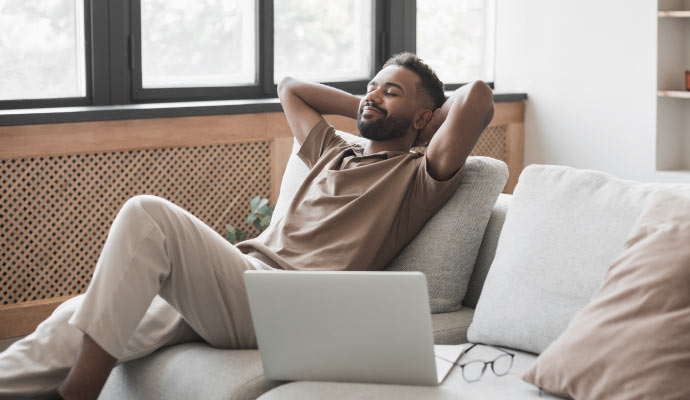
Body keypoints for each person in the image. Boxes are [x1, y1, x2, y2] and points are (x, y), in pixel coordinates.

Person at [0, 52, 494, 400]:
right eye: (371, 86)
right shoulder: (332, 152)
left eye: (392, 91)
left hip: (284, 303)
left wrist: (418, 124)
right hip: (238, 278)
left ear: (427, 115)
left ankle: (78, 395)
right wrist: (367, 106)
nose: (373, 95)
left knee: (147, 213)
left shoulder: (419, 173)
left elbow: (476, 97)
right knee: (73, 317)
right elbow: (290, 88)